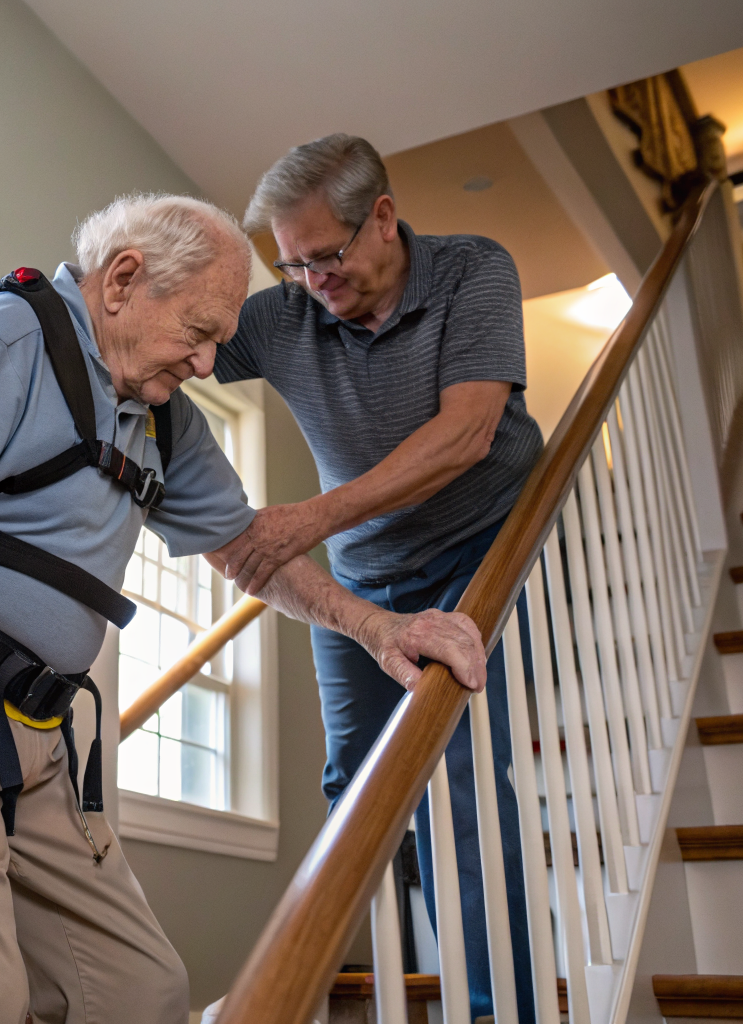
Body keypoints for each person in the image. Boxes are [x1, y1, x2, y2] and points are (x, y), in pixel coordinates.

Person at [0, 192, 488, 1024]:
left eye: (218, 346)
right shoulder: (10, 339)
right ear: (122, 279)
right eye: (198, 334)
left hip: (35, 722)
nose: (204, 365)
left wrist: (378, 629)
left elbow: (249, 551)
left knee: (135, 992)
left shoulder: (162, 419)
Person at [213, 135, 545, 1024]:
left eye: (327, 255)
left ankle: (489, 1007)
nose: (313, 281)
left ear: (385, 218)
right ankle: (385, 981)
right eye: (291, 266)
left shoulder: (474, 271)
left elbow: (467, 431)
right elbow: (189, 342)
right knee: (354, 786)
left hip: (480, 548)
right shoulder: (286, 315)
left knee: (461, 776)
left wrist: (303, 522)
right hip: (366, 580)